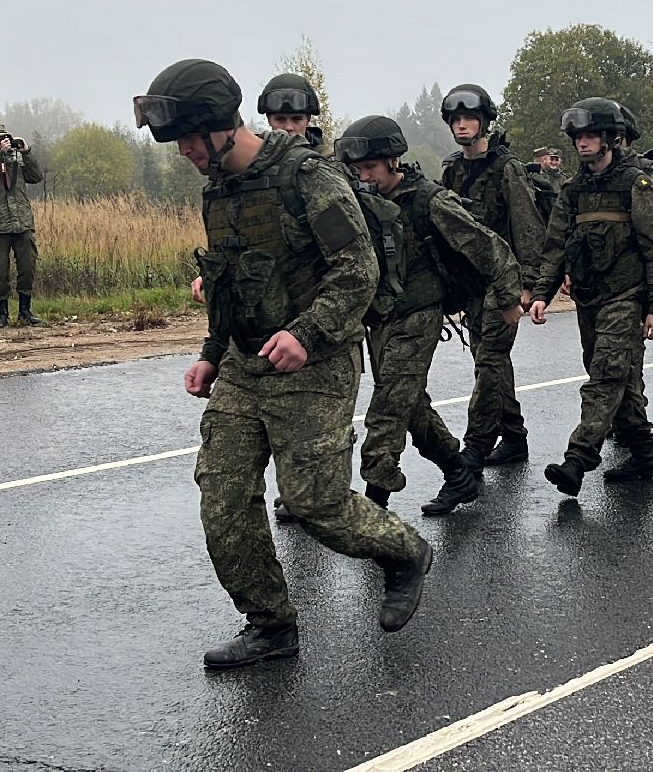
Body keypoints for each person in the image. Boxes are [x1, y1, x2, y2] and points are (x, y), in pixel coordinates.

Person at [136, 59, 432, 669]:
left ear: (223, 126)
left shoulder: (309, 176)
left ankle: (403, 552)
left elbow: (359, 271)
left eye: (192, 138)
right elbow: (227, 281)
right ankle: (270, 623)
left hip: (314, 367)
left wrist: (307, 331)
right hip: (245, 369)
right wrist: (212, 355)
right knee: (221, 495)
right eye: (179, 142)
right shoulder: (217, 190)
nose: (186, 151)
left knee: (313, 503)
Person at [335, 115, 523, 517]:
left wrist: (509, 299)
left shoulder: (429, 200)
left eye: (370, 168)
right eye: (358, 169)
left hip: (419, 314)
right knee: (410, 406)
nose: (364, 176)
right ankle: (458, 473)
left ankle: (374, 505)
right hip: (379, 318)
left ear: (393, 161)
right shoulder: (359, 203)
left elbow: (489, 246)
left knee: (387, 408)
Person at [530, 98, 653, 496]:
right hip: (588, 298)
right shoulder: (574, 190)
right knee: (617, 376)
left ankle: (578, 458)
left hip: (626, 295)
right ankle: (644, 453)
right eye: (578, 136)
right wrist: (543, 292)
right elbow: (555, 244)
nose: (583, 143)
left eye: (592, 135)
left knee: (606, 375)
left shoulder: (635, 183)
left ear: (611, 138)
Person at [438, 84, 541, 466]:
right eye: (456, 119)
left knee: (490, 362)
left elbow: (526, 225)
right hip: (470, 284)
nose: (462, 125)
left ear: (483, 123)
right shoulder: (452, 169)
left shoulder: (506, 168)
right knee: (490, 359)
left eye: (469, 119)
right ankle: (514, 437)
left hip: (504, 282)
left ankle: (476, 445)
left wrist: (528, 285)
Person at [0, 123, 44, 326]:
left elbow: (35, 177)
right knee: (1, 271)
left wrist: (26, 152)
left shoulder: (14, 158)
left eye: (3, 139)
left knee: (27, 267)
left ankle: (25, 310)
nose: (1, 142)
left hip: (22, 222)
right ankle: (2, 315)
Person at [257, 72, 327, 150]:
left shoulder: (326, 159)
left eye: (296, 119)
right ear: (269, 120)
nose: (288, 127)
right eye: (280, 119)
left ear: (308, 119)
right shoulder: (253, 157)